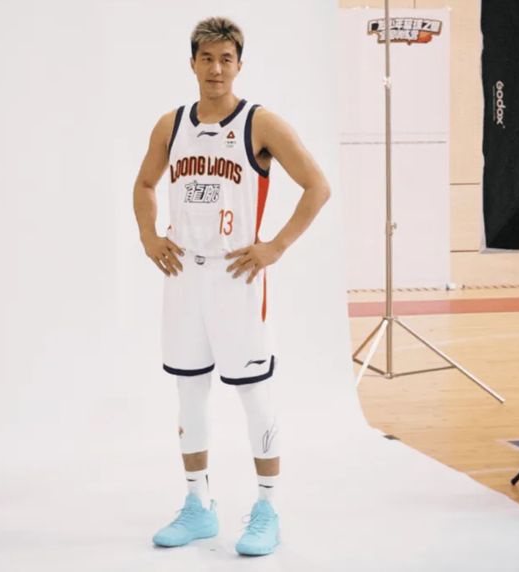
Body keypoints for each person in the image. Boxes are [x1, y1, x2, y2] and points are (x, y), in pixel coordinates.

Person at [132, 16, 330, 556]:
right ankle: (198, 505)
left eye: (226, 59)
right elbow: (145, 182)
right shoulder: (171, 124)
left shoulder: (260, 123)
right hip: (183, 274)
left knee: (253, 393)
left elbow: (317, 186)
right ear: (192, 63)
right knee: (189, 391)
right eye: (207, 58)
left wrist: (276, 246)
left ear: (239, 65)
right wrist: (149, 235)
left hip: (237, 275)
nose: (216, 69)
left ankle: (267, 508)